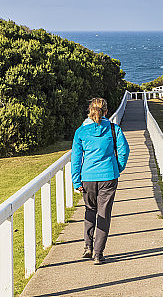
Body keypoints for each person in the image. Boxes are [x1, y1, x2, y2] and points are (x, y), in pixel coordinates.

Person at [71, 97, 130, 264]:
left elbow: (76, 159)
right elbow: (124, 151)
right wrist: (117, 167)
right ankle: (98, 254)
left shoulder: (81, 132)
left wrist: (76, 181)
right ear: (105, 112)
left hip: (87, 177)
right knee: (104, 214)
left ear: (90, 111)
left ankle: (88, 247)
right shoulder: (113, 129)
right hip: (108, 177)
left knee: (90, 210)